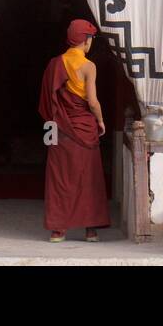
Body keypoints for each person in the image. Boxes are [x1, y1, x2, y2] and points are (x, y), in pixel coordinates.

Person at [38, 18, 110, 242]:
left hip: (59, 129)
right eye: (91, 38)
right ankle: (90, 229)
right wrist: (100, 121)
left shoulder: (54, 64)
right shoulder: (88, 66)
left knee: (60, 178)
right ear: (86, 40)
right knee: (88, 178)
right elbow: (93, 101)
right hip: (84, 128)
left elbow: (47, 101)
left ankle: (58, 230)